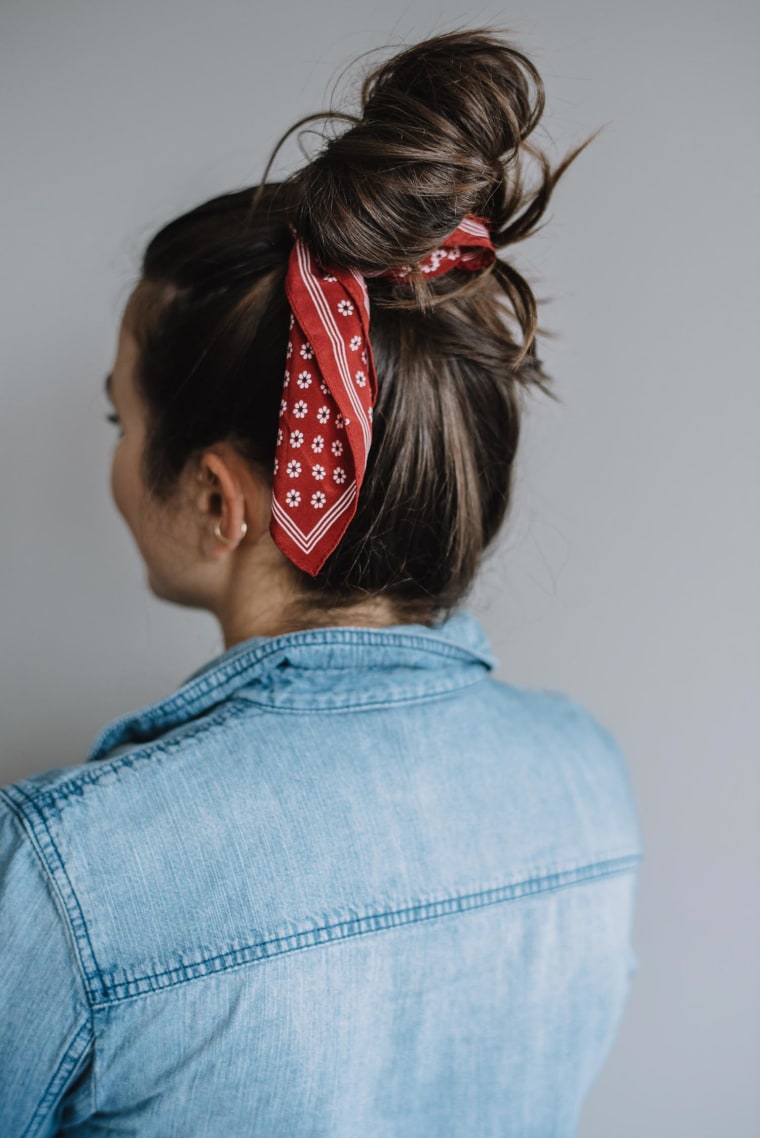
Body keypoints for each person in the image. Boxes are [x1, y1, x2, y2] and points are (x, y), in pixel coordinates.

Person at [0, 27, 643, 1137]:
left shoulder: (73, 877)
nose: (107, 453)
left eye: (121, 417)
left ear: (217, 498)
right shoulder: (584, 772)